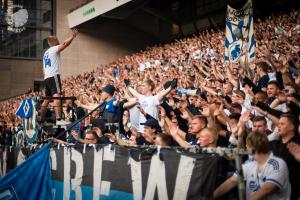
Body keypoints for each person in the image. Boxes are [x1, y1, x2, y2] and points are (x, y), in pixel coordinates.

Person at [213, 131, 291, 200]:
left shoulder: (277, 164)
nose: (246, 146)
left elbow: (266, 190)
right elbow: (232, 181)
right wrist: (210, 196)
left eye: (247, 144)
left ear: (253, 146)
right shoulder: (249, 164)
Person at [40, 29, 78, 125]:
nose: (59, 42)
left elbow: (43, 69)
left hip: (47, 77)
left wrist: (46, 77)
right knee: (57, 96)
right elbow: (65, 44)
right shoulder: (54, 49)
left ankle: (41, 120)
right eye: (57, 40)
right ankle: (59, 119)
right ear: (54, 42)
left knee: (46, 100)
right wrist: (72, 37)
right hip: (53, 76)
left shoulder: (45, 53)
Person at [270, 114, 300, 200]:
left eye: (282, 124)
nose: (278, 126)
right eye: (278, 124)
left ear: (292, 127)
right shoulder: (273, 144)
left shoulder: (298, 144)